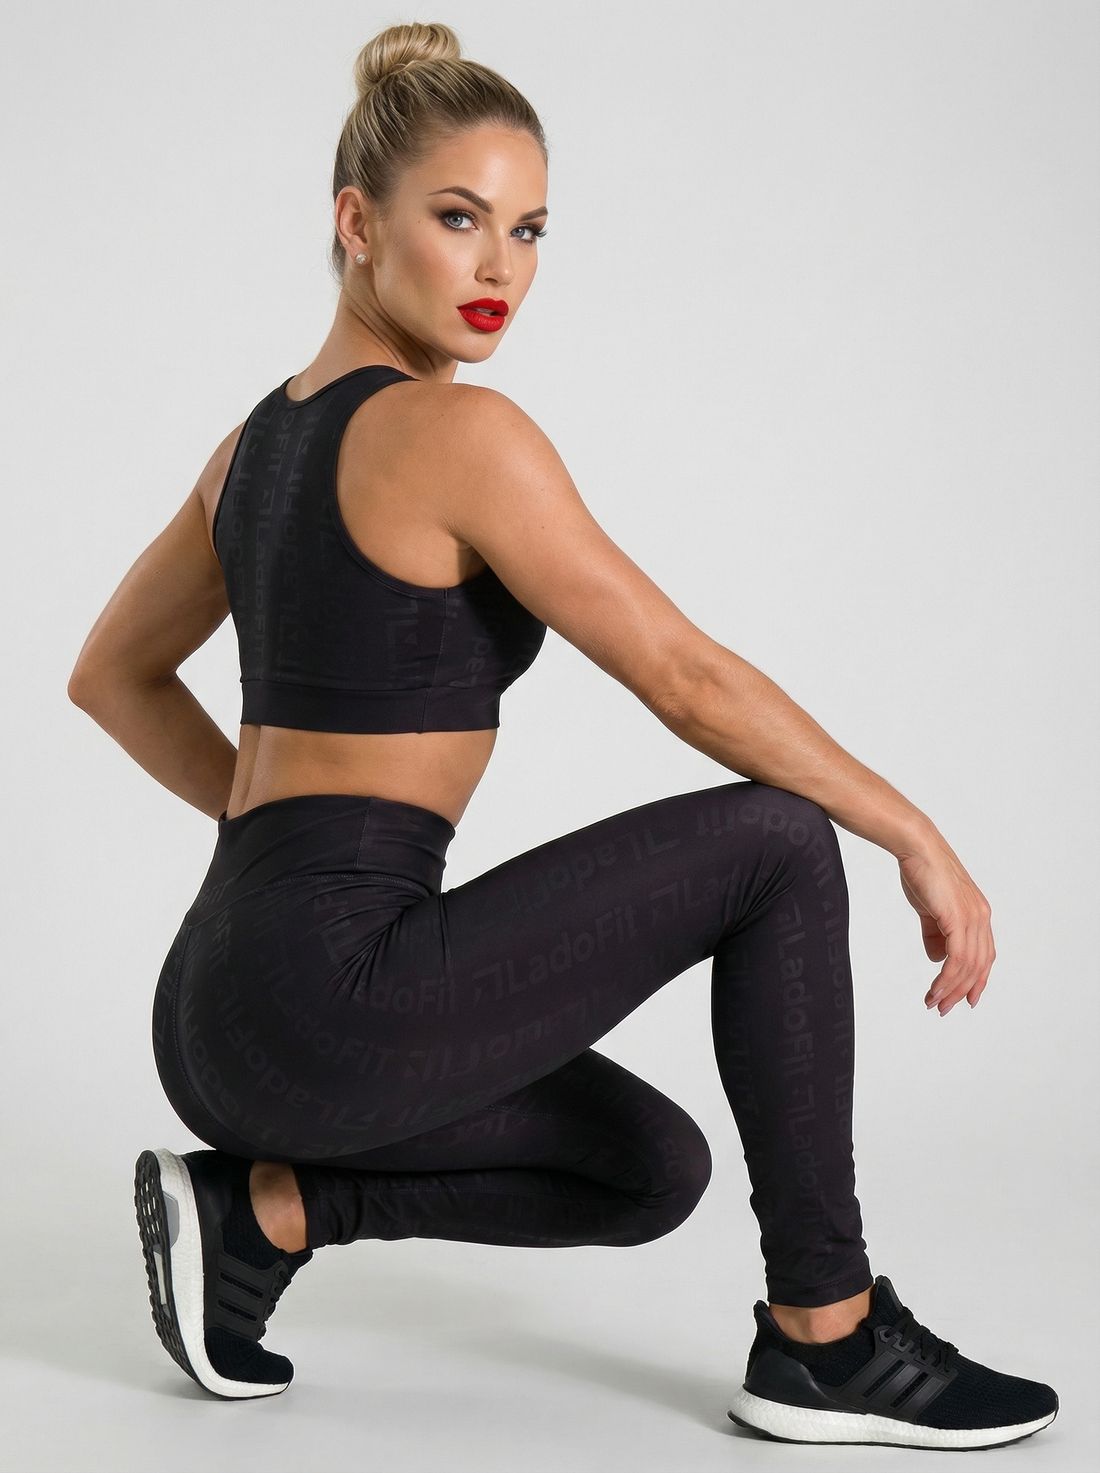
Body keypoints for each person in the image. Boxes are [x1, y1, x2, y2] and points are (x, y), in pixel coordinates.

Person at [69, 19, 1057, 1450]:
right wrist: (913, 829)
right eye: (458, 218)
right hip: (331, 994)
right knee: (781, 842)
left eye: (528, 230)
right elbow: (684, 677)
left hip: (215, 1013)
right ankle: (828, 1339)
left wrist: (271, 836)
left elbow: (110, 675)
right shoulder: (458, 435)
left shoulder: (251, 452)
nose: (501, 268)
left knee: (646, 1168)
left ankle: (259, 1212)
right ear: (358, 224)